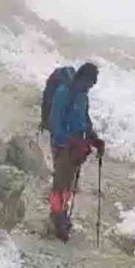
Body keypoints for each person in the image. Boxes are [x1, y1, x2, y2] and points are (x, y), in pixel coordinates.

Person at [47, 62, 105, 241]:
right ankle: (57, 219)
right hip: (63, 145)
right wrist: (68, 142)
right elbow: (54, 122)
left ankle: (62, 213)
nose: (90, 87)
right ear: (82, 78)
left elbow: (84, 120)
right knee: (60, 184)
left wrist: (94, 138)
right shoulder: (63, 93)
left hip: (78, 147)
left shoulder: (82, 95)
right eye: (90, 83)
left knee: (69, 184)